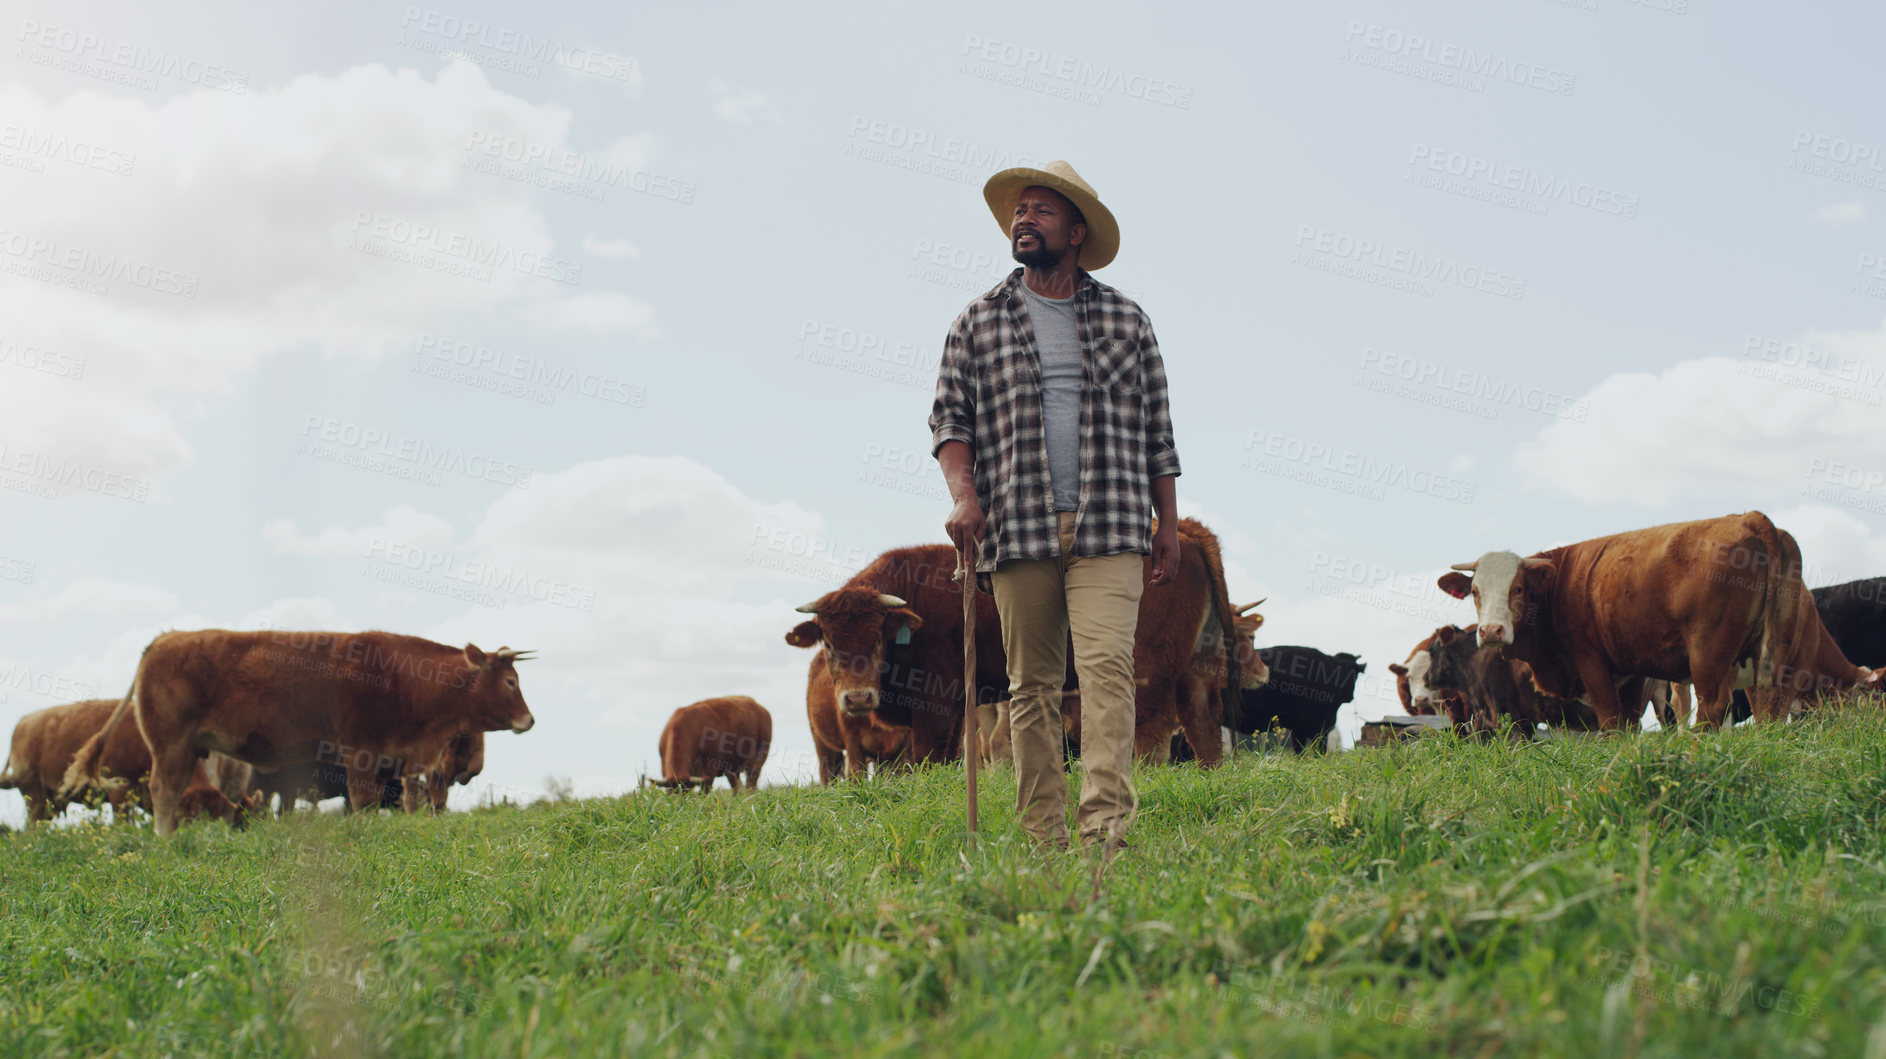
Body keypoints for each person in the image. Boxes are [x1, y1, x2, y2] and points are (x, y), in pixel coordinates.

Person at [928, 160, 1182, 852]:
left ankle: (1106, 830)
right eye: (1019, 211)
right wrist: (963, 497)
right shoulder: (977, 322)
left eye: (1040, 210)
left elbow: (1158, 429)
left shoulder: (1127, 320)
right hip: (1015, 526)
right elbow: (951, 422)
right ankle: (1044, 836)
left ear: (1075, 231)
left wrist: (1171, 520)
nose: (1023, 220)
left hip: (1112, 522)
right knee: (1030, 686)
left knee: (1107, 672)